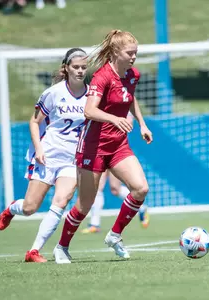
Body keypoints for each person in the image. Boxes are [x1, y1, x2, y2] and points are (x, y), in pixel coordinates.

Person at [53, 29, 153, 264]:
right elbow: (89, 111)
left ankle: (115, 235)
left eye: (136, 53)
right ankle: (61, 247)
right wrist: (113, 119)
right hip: (92, 147)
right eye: (130, 53)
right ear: (117, 52)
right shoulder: (102, 77)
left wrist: (142, 124)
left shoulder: (132, 75)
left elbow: (130, 97)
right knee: (85, 205)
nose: (134, 57)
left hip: (118, 145)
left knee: (141, 189)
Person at [0, 48, 89, 263]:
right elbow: (34, 121)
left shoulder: (92, 95)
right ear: (66, 68)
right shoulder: (54, 93)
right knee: (30, 208)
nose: (80, 71)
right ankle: (11, 209)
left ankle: (34, 251)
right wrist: (38, 149)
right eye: (76, 67)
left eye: (84, 67)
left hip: (71, 160)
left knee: (61, 201)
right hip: (48, 156)